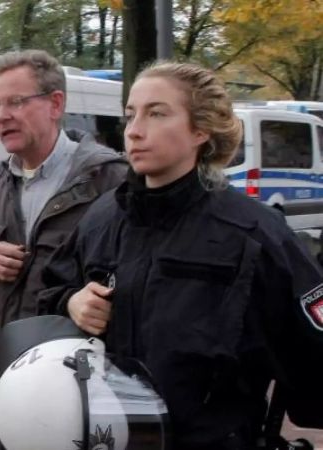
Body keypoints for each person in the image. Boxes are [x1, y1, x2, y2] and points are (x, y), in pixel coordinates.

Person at [38, 61, 323, 449]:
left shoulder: (253, 235)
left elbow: (312, 364)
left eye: (157, 113)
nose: (135, 130)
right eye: (130, 115)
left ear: (201, 130)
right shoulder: (101, 219)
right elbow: (49, 296)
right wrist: (72, 301)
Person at [0, 50, 127, 450]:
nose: (1, 116)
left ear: (55, 104)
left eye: (15, 102)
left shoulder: (110, 180)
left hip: (72, 393)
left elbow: (134, 283)